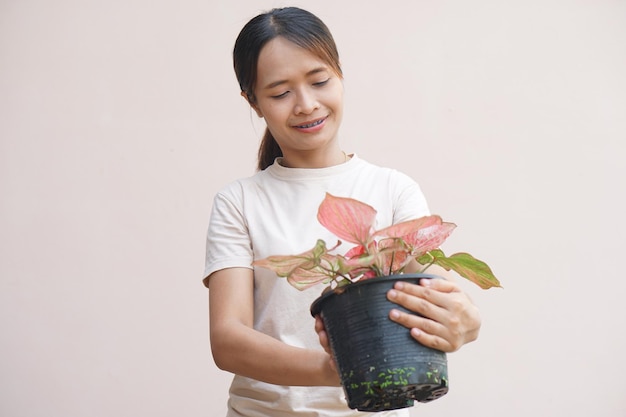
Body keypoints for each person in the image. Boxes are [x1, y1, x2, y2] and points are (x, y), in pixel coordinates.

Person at [203, 7, 481, 417]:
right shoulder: (239, 202)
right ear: (253, 102)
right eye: (280, 93)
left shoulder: (392, 189)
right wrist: (342, 366)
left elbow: (431, 289)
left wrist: (464, 321)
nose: (306, 104)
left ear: (340, 75)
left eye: (319, 81)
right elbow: (228, 339)